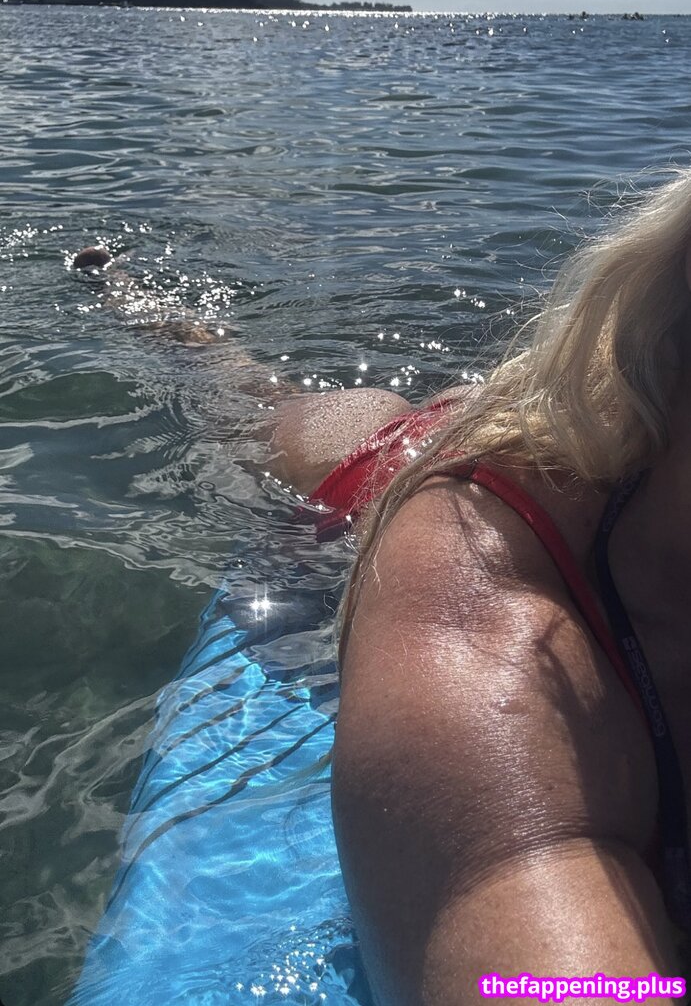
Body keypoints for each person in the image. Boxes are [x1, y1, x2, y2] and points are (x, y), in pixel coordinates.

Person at [76, 168, 691, 1003]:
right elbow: (518, 923)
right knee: (242, 398)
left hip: (571, 445)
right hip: (379, 469)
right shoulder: (486, 597)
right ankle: (135, 300)